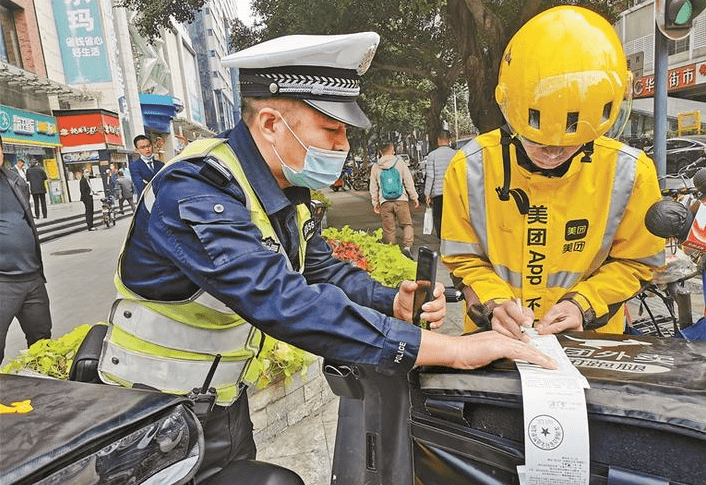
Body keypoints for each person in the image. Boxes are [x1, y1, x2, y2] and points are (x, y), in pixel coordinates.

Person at [95, 32, 554, 485]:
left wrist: (388, 298)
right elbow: (283, 301)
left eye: (345, 133)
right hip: (148, 418)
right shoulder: (196, 192)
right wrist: (454, 350)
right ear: (272, 124)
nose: (343, 146)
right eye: (331, 130)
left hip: (220, 404)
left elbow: (319, 268)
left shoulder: (283, 188)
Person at [440, 6, 665, 339]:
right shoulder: (470, 167)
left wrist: (583, 304)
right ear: (509, 109)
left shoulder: (631, 174)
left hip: (589, 343)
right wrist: (494, 303)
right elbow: (462, 260)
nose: (552, 153)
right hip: (495, 341)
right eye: (537, 140)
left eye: (570, 142)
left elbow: (639, 262)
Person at [0, 134, 52, 364]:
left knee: (42, 343)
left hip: (32, 278)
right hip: (3, 282)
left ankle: (43, 394)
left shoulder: (15, 180)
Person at [369, 140, 419, 259]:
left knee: (389, 229)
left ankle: (393, 252)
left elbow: (373, 187)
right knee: (406, 224)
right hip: (401, 199)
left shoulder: (376, 166)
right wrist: (414, 197)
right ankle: (407, 247)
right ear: (392, 149)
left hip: (385, 201)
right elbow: (408, 181)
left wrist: (375, 202)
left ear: (380, 152)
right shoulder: (400, 163)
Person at [424, 129, 457, 237]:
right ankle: (453, 237)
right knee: (453, 216)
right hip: (453, 192)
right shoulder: (456, 154)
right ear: (449, 140)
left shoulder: (432, 155)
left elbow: (430, 176)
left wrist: (427, 193)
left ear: (438, 140)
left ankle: (442, 238)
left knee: (438, 216)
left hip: (438, 193)